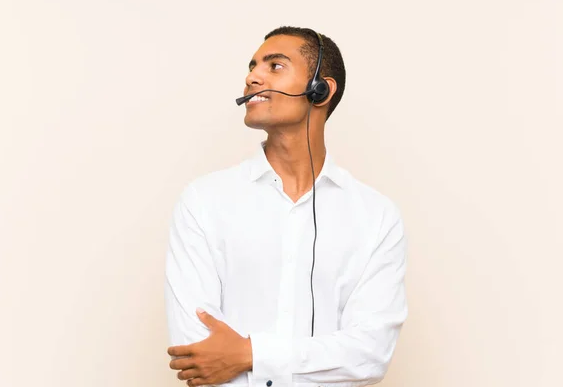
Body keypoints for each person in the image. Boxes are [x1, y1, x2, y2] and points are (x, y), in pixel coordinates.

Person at [164, 26, 408, 387]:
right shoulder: (203, 201)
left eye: (274, 66)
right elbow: (197, 353)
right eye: (252, 66)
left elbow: (369, 355)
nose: (252, 77)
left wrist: (250, 354)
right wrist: (314, 362)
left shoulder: (376, 217)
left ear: (321, 90)